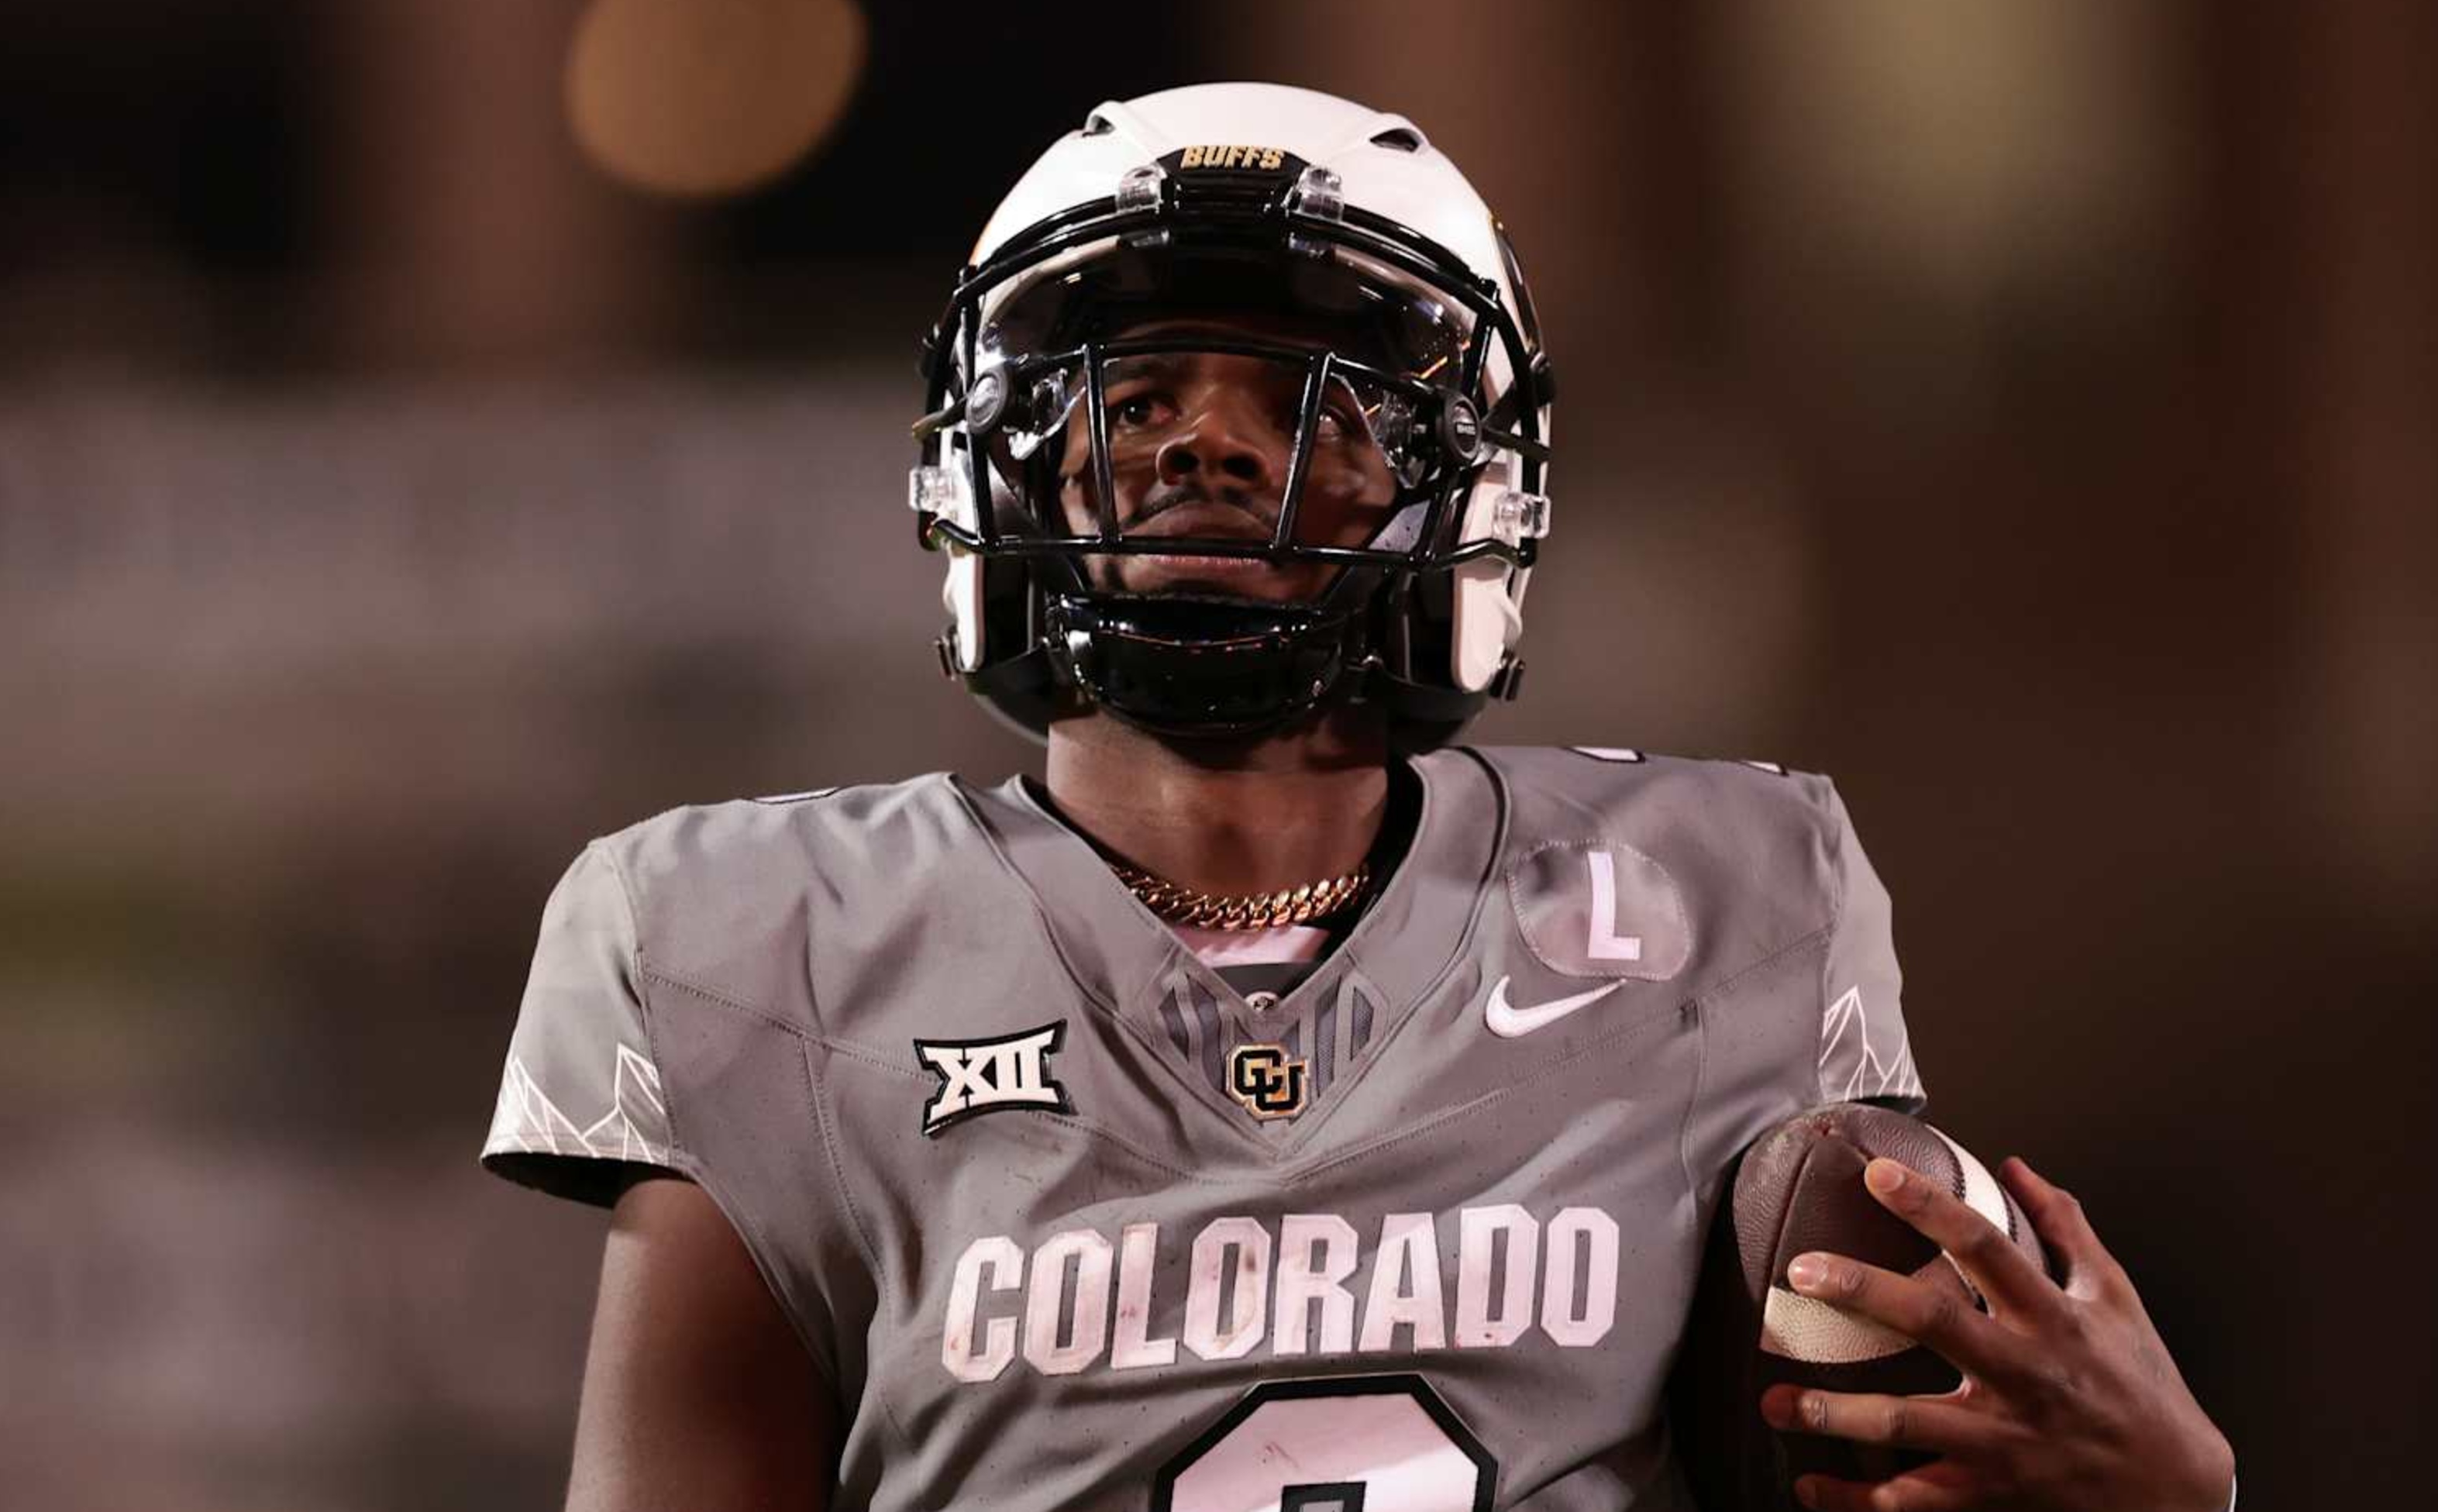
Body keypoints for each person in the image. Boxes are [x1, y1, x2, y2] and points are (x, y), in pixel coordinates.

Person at [480, 82, 2236, 1511]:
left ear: (1466, 496)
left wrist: (2173, 1499)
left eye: (1305, 404)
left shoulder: (1731, 896)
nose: (1205, 444)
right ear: (1000, 464)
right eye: (1140, 388)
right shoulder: (751, 937)